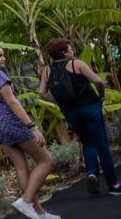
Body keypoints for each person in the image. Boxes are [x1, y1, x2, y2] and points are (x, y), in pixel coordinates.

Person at [0, 43, 60, 219]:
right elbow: (12, 101)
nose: (4, 58)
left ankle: (38, 213)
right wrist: (32, 127)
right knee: (46, 161)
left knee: (21, 168)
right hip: (11, 124)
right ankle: (26, 202)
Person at [40, 38, 121, 195]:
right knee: (102, 144)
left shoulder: (47, 70)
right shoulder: (76, 64)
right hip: (89, 106)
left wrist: (58, 102)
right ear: (64, 52)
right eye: (70, 49)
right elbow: (98, 81)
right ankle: (113, 185)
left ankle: (91, 173)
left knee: (87, 142)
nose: (73, 52)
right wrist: (101, 96)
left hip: (70, 112)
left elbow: (41, 92)